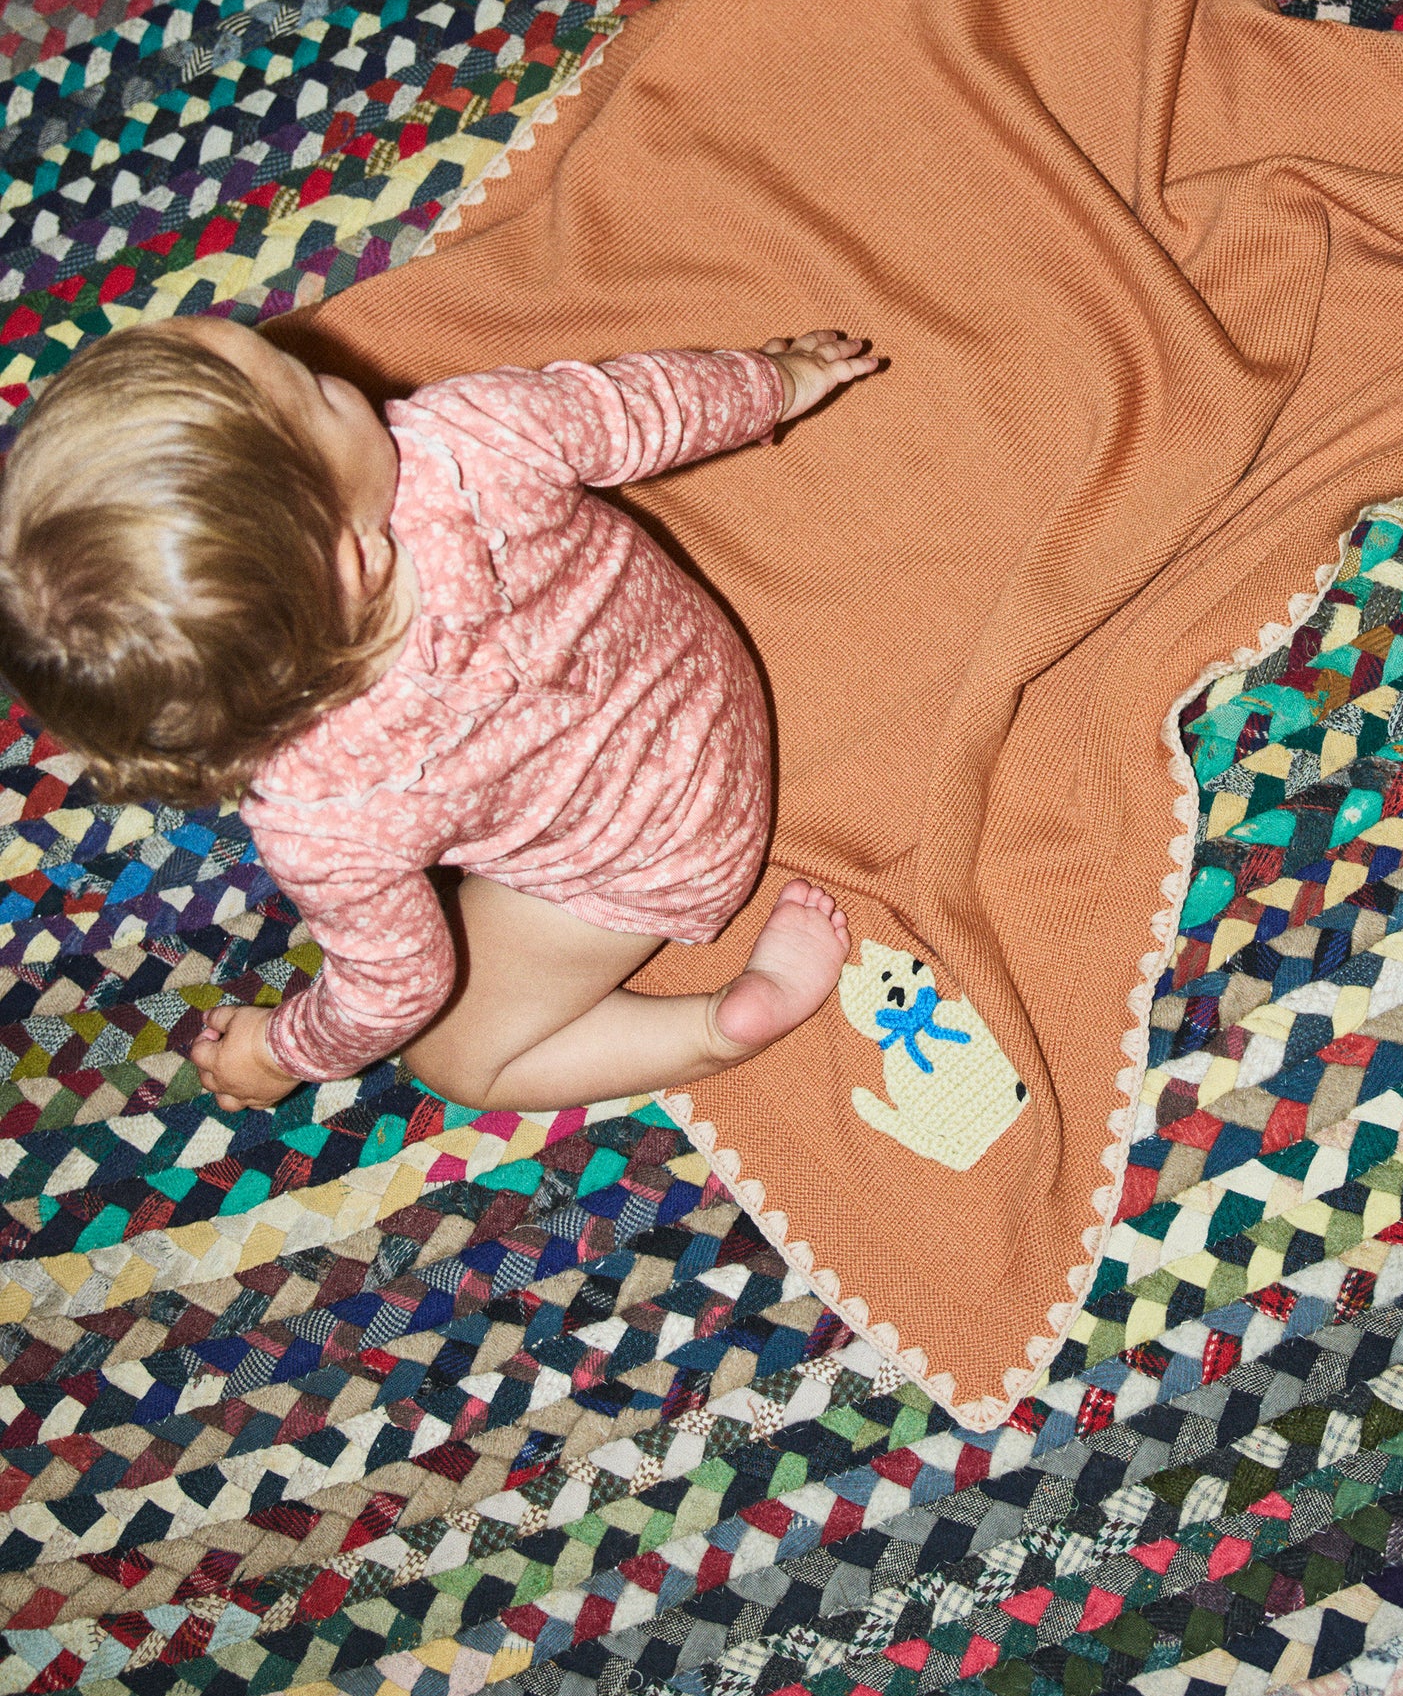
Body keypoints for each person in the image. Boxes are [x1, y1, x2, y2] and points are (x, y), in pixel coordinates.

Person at [0, 317, 882, 1115]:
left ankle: (713, 1030)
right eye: (314, 388)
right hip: (706, 690)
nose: (328, 367)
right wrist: (781, 380)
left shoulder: (319, 821)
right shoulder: (469, 435)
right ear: (351, 559)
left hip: (654, 861)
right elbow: (651, 404)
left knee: (453, 1058)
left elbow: (394, 990)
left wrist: (283, 1050)